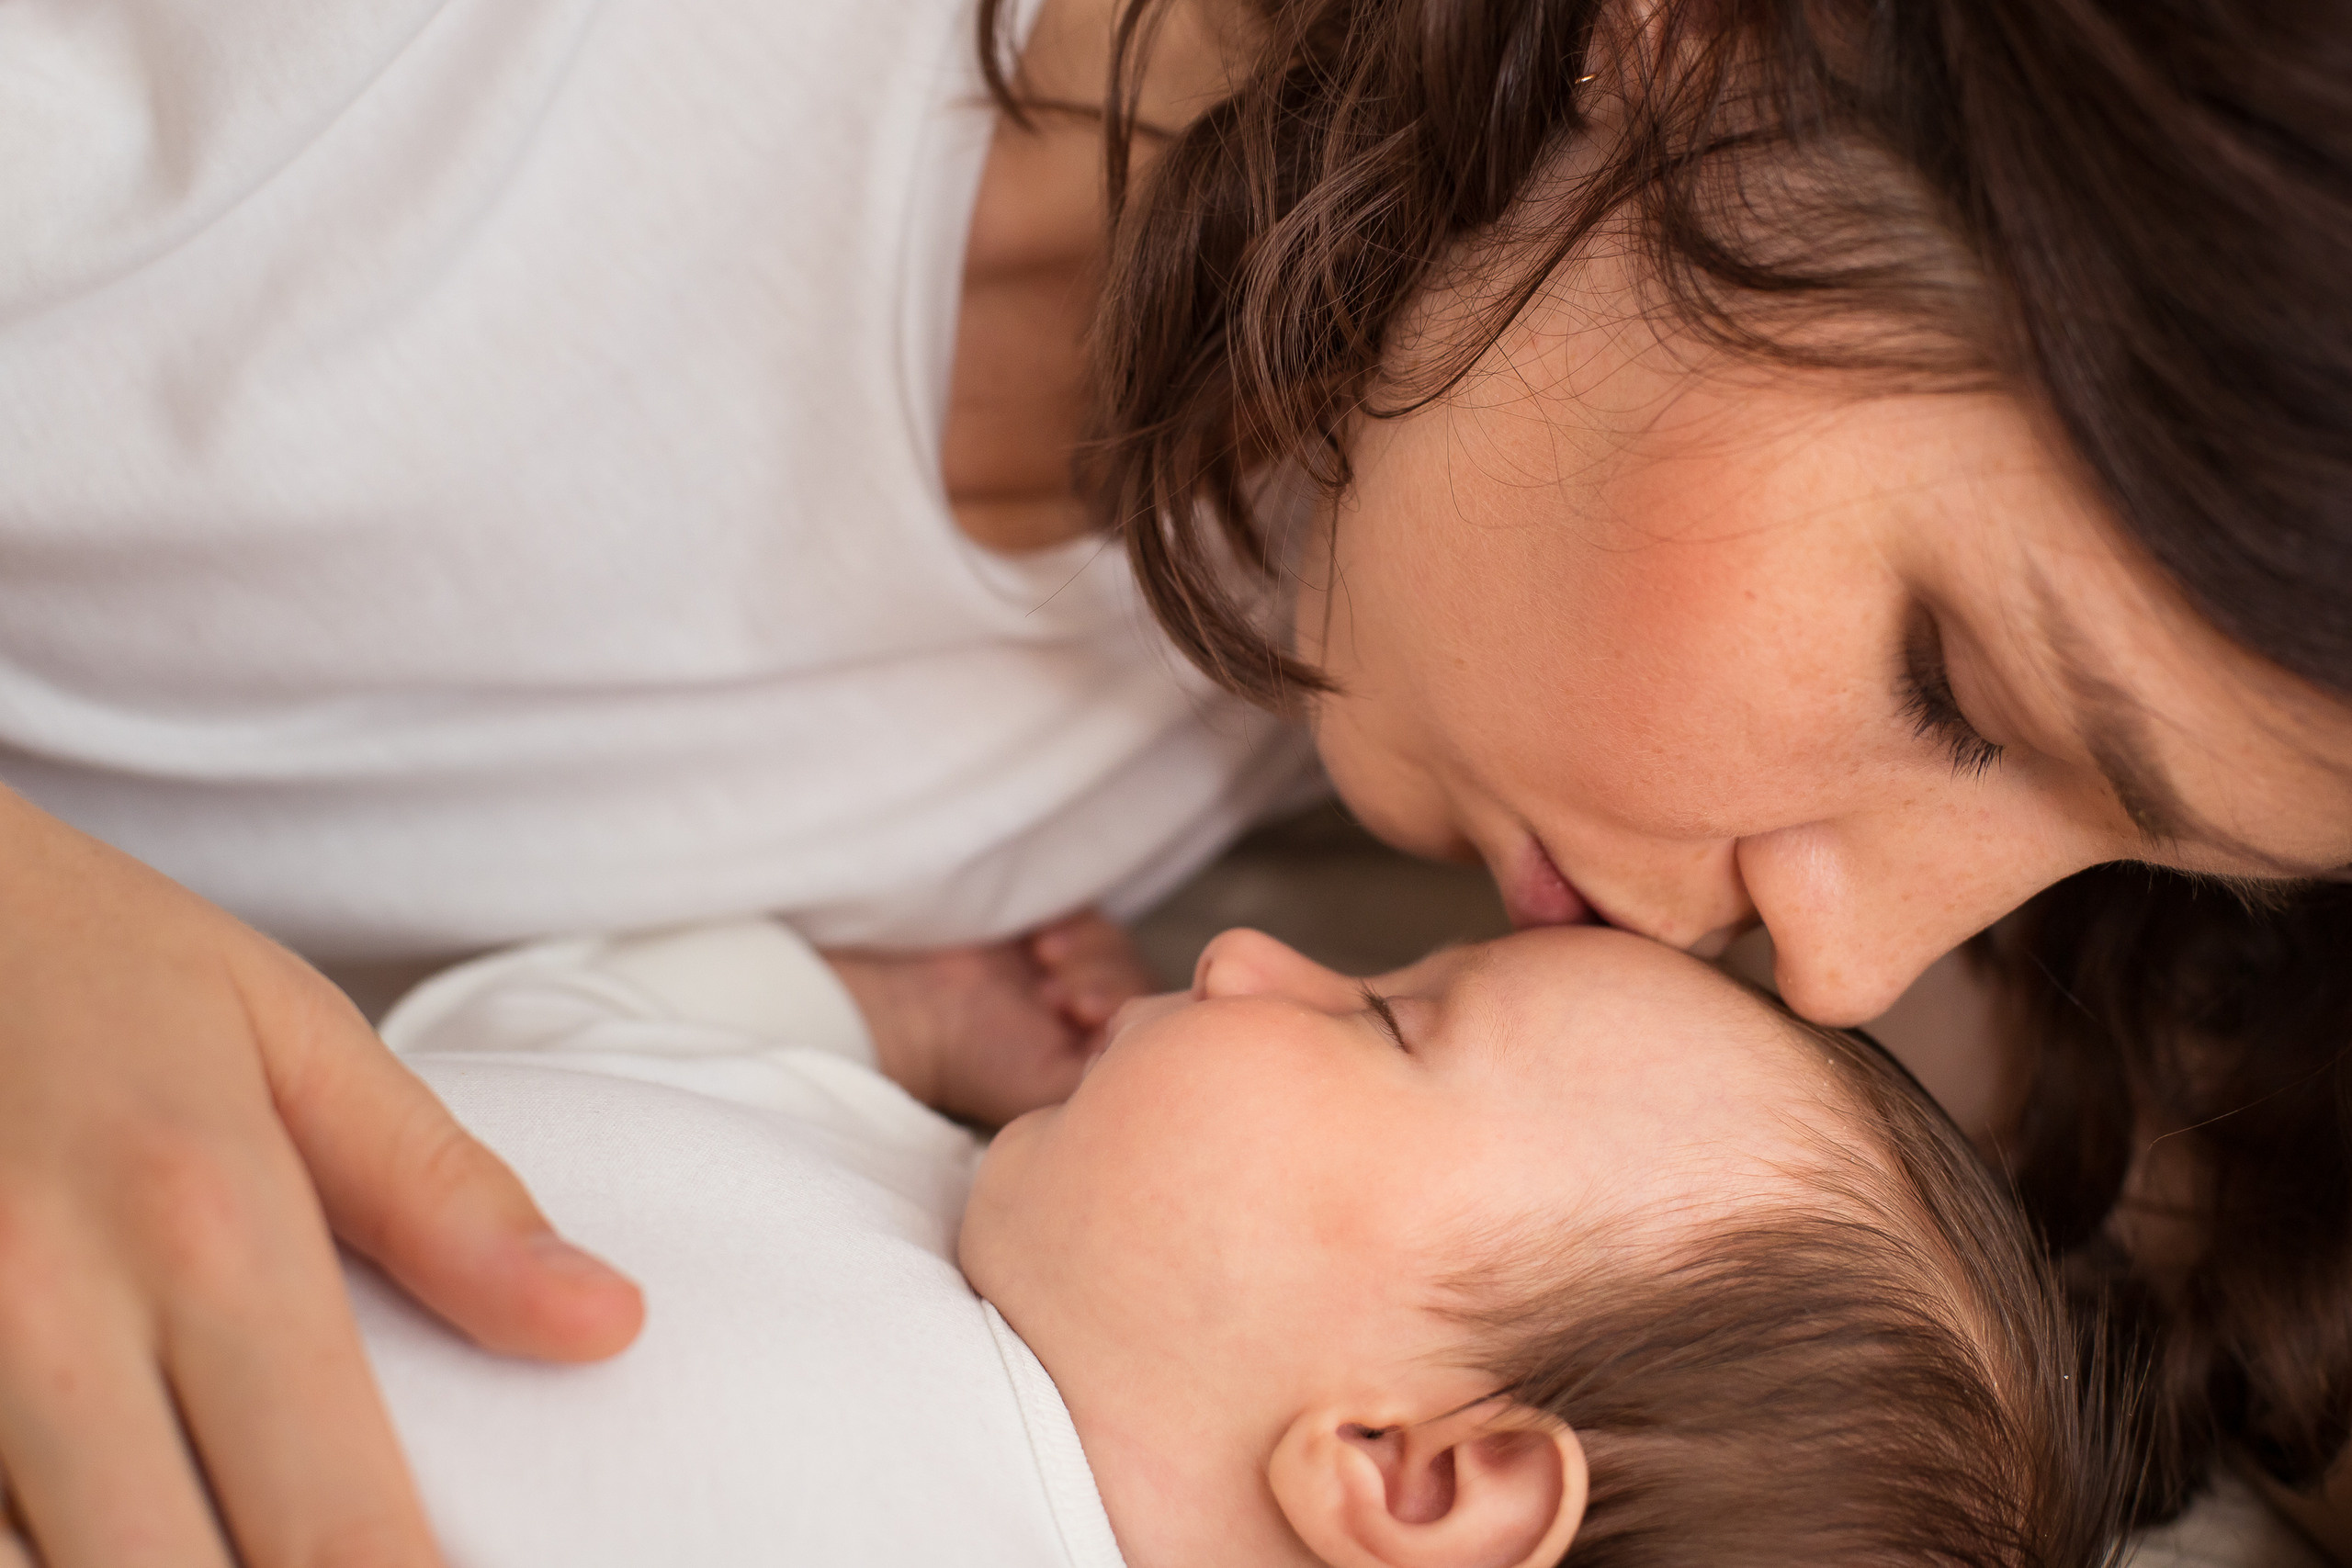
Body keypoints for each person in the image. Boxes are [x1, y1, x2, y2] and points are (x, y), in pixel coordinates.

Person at [0, 0, 2343, 1557]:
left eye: (2106, 846)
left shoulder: (1225, 773)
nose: (1834, 956)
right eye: (1951, 683)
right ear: (1711, 49)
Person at [128, 918, 2120, 1567]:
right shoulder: (878, 1153)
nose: (1247, 949)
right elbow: (494, 1051)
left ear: (1415, 1472)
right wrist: (886, 1015)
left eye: (1380, 1017)